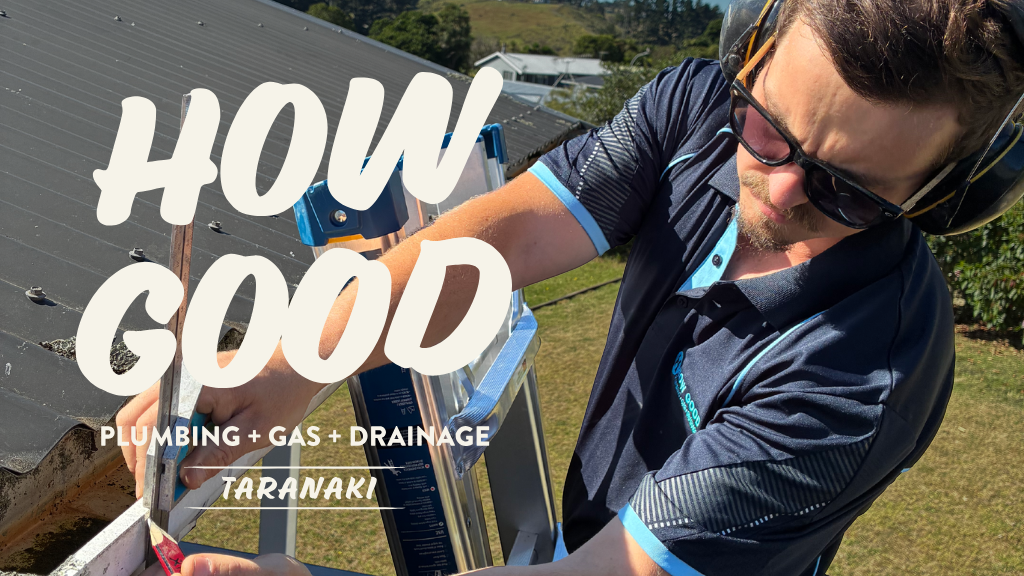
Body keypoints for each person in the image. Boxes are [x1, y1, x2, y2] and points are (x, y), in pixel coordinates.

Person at [120, 0, 1024, 574]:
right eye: (768, 128)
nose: (780, 191)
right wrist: (290, 362)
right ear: (749, 50)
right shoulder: (700, 107)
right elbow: (503, 235)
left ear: (948, 196)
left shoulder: (863, 378)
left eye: (850, 191)